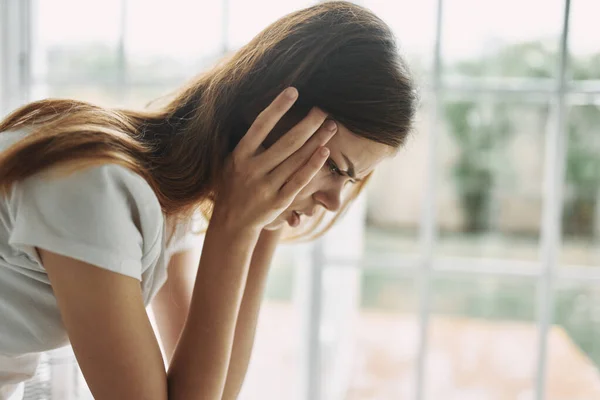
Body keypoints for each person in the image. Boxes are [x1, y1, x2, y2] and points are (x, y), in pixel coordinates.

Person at [0, 1, 417, 399]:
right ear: (266, 116)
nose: (331, 200)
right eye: (335, 168)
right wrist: (234, 229)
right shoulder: (98, 186)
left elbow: (214, 390)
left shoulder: (167, 203)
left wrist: (261, 226)